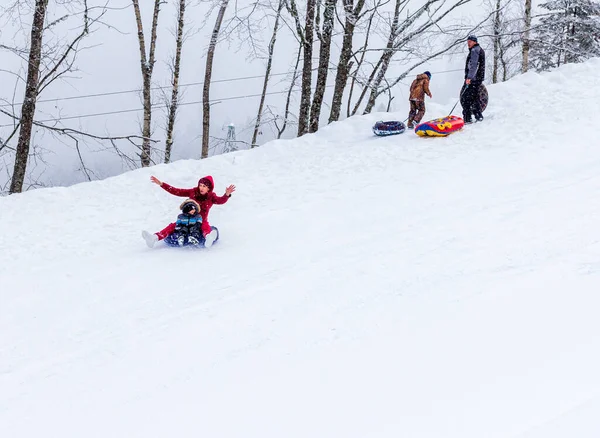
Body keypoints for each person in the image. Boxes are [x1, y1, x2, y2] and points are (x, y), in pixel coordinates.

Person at [142, 175, 236, 248]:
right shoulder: (193, 192)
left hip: (200, 221)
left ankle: (209, 238)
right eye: (200, 185)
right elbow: (177, 191)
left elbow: (221, 201)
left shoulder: (211, 197)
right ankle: (154, 238)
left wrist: (226, 194)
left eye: (204, 186)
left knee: (205, 226)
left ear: (209, 188)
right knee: (172, 226)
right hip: (186, 219)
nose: (201, 188)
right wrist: (162, 184)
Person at [461, 35, 486, 124]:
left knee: (465, 98)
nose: (468, 43)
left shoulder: (475, 50)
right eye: (467, 42)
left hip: (473, 79)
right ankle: (478, 115)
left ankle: (467, 118)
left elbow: (474, 65)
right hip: (477, 78)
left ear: (475, 42)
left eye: (470, 42)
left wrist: (469, 78)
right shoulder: (478, 50)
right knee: (474, 97)